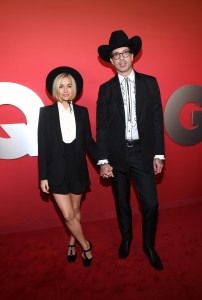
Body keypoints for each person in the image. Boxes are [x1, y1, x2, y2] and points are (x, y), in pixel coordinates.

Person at [96, 30, 165, 270]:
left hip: (143, 153)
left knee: (152, 204)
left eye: (125, 53)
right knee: (122, 202)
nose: (121, 58)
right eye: (116, 55)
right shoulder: (105, 89)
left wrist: (159, 154)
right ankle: (126, 239)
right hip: (116, 157)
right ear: (111, 61)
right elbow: (102, 127)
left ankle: (149, 246)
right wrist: (103, 160)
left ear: (133, 55)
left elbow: (157, 119)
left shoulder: (150, 83)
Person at [38, 66, 97, 267]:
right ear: (55, 89)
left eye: (69, 86)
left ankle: (72, 241)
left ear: (74, 89)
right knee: (67, 214)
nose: (65, 90)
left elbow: (89, 142)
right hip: (56, 171)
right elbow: (43, 145)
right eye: (61, 86)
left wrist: (103, 161)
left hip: (78, 169)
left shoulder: (82, 112)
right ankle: (86, 245)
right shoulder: (45, 113)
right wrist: (43, 176)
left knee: (75, 208)